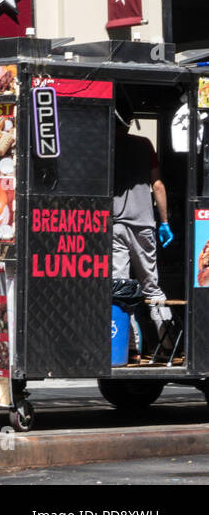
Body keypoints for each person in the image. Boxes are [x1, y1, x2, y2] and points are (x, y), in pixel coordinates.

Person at [113, 102, 175, 356]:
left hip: (114, 224)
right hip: (143, 225)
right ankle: (169, 345)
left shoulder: (106, 145)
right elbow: (157, 185)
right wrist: (165, 222)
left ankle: (127, 348)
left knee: (119, 287)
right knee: (152, 287)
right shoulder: (144, 144)